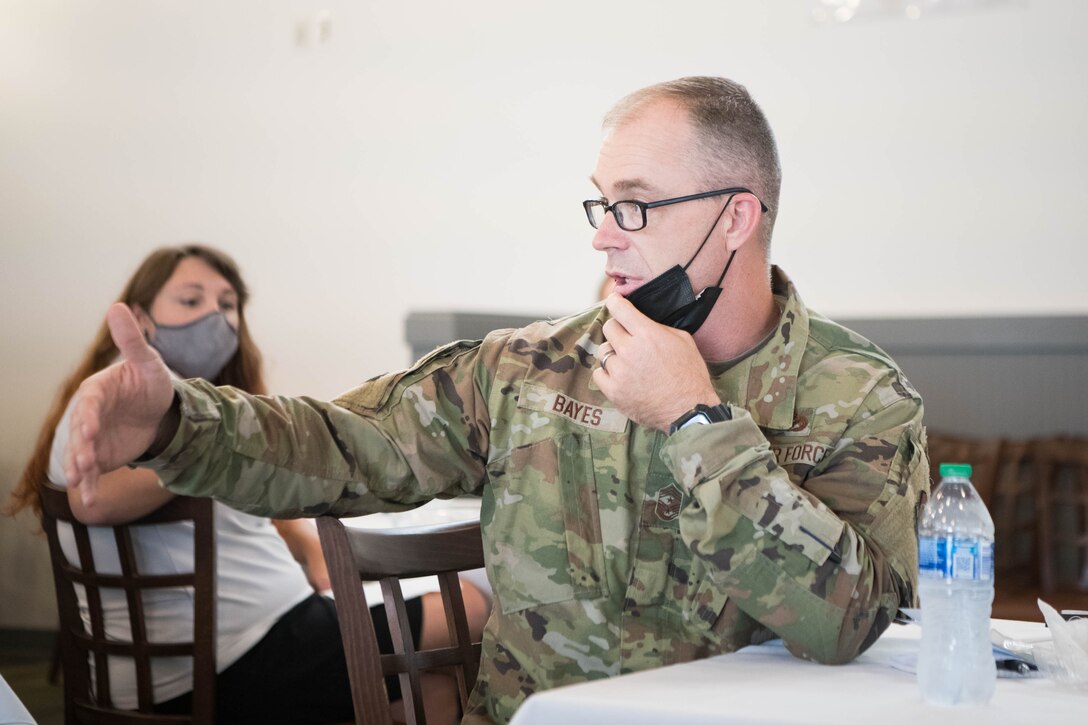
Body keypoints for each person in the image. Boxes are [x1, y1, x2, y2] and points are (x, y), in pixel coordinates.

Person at [62, 78, 930, 725]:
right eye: (601, 202)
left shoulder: (860, 398)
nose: (600, 234)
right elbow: (338, 445)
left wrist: (695, 423)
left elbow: (845, 623)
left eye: (633, 207)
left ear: (736, 218)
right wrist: (180, 421)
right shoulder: (530, 368)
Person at [9, 244, 487, 724]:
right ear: (140, 318)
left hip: (240, 648)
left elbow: (217, 510)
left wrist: (299, 537)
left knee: (427, 687)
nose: (215, 317)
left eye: (227, 304)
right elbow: (92, 500)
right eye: (191, 301)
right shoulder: (129, 394)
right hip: (233, 660)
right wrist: (201, 451)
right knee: (463, 610)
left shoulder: (180, 401)